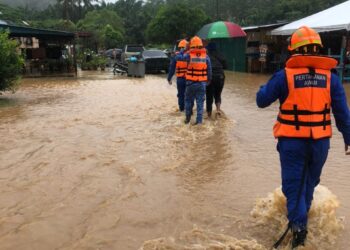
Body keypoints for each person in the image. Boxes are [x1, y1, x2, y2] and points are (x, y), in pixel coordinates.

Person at [256, 26, 350, 248]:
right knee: (309, 182)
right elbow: (343, 113)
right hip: (320, 143)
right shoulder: (331, 79)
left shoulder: (284, 76)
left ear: (294, 51)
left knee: (292, 185)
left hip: (292, 142)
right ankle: (301, 217)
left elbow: (261, 101)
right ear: (318, 49)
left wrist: (264, 86)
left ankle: (298, 228)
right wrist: (349, 139)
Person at [184, 36, 212, 125]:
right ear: (201, 45)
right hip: (201, 83)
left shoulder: (188, 55)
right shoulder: (206, 56)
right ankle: (199, 122)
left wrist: (186, 48)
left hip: (190, 83)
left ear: (191, 45)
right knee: (200, 103)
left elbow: (180, 57)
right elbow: (209, 70)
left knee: (188, 101)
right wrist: (209, 80)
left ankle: (187, 118)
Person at [206, 42, 227, 117]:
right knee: (218, 94)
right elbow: (226, 66)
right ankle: (218, 109)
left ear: (208, 49)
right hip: (220, 76)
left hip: (210, 77)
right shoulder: (220, 55)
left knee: (209, 96)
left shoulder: (206, 56)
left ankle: (209, 115)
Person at [167, 39, 189, 112]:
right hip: (190, 79)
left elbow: (172, 69)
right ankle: (188, 110)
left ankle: (181, 110)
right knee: (188, 95)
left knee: (181, 94)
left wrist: (169, 78)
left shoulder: (176, 56)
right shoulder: (190, 55)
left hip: (180, 79)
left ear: (179, 47)